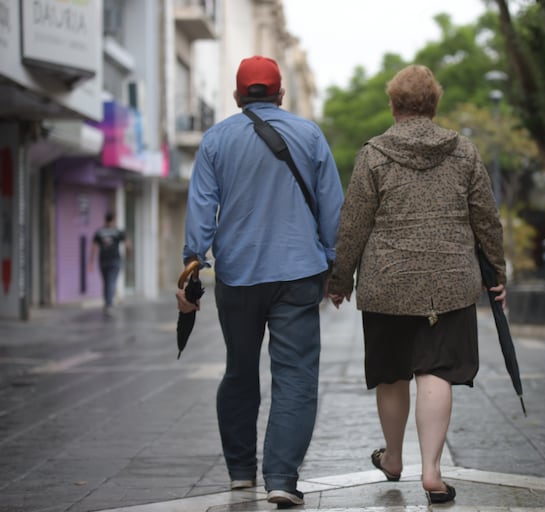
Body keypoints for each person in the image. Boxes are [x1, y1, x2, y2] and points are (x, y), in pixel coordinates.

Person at [326, 65, 506, 505]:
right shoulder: (463, 151)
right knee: (436, 371)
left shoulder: (373, 154)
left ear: (393, 105)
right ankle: (432, 470)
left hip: (388, 284)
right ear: (434, 104)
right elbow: (486, 216)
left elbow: (354, 223)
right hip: (450, 283)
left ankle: (392, 458)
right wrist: (496, 272)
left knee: (392, 374)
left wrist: (340, 278)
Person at [175, 55, 343, 507]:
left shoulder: (215, 140)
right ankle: (282, 479)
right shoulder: (309, 135)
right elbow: (333, 209)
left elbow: (201, 211)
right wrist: (334, 267)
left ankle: (240, 472)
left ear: (236, 96)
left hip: (239, 275)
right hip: (298, 274)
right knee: (295, 377)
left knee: (240, 369)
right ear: (280, 94)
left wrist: (193, 264)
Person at [89, 211, 131, 315]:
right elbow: (128, 245)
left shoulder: (99, 232)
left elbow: (93, 248)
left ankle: (107, 302)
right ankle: (109, 304)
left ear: (105, 219)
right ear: (113, 219)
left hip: (103, 260)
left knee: (106, 282)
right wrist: (129, 256)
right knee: (111, 282)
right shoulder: (118, 231)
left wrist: (91, 261)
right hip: (114, 260)